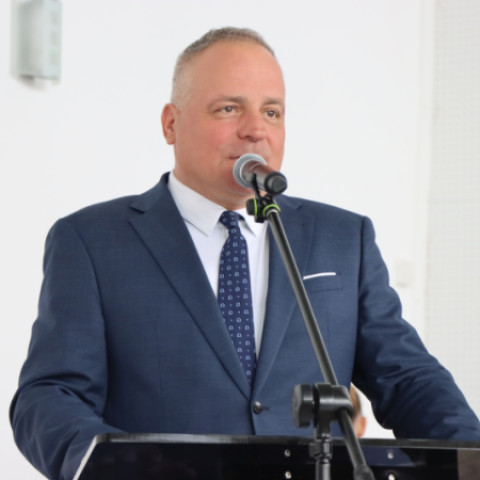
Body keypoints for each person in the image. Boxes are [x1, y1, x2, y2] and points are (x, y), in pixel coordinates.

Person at [10, 27, 480, 480]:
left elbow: (408, 380)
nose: (256, 130)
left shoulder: (342, 238)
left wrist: (473, 457)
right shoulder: (92, 241)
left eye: (272, 112)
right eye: (229, 108)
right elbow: (49, 395)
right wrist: (116, 465)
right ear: (171, 124)